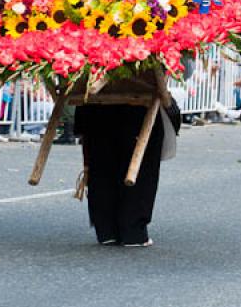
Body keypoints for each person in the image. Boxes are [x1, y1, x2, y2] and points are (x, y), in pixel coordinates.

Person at [75, 96, 179, 247]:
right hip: (137, 107)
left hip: (96, 105)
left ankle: (106, 230)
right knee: (141, 166)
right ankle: (133, 231)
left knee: (101, 160)